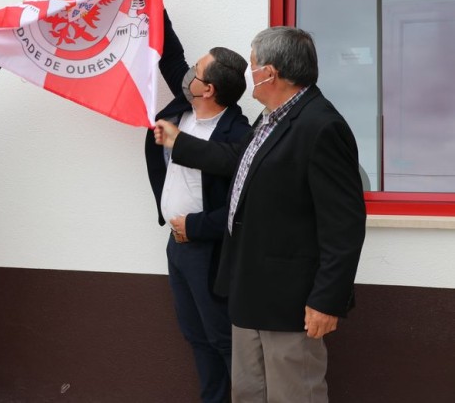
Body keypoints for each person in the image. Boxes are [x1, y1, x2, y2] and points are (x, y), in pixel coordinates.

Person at [154, 26, 366, 402]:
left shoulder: (321, 126)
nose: (249, 73)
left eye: (252, 64)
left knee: (293, 392)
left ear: (270, 73)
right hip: (248, 291)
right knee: (249, 391)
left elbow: (344, 224)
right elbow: (234, 161)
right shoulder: (269, 119)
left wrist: (326, 300)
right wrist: (178, 141)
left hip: (289, 300)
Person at [145, 7, 250, 403]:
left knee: (221, 338)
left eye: (197, 70)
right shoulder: (184, 107)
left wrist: (197, 228)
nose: (187, 72)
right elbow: (170, 54)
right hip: (176, 246)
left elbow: (244, 207)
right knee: (194, 336)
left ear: (208, 89)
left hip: (209, 249)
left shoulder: (238, 135)